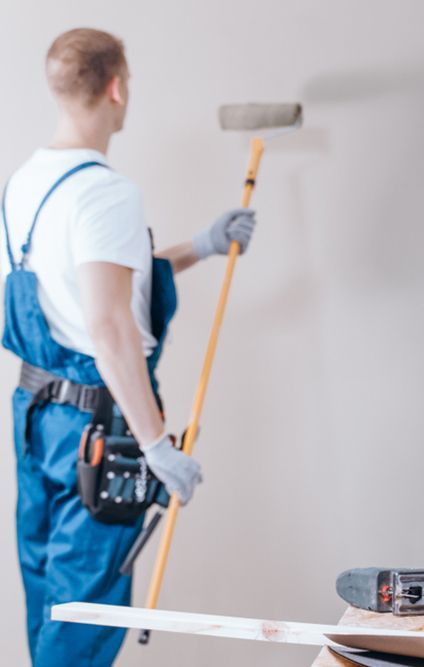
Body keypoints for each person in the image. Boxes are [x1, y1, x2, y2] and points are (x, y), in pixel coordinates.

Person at [1, 28, 258, 666]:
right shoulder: (108, 192)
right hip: (100, 428)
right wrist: (156, 446)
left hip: (39, 414)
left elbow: (95, 283)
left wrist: (200, 244)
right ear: (116, 87)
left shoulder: (27, 181)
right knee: (85, 616)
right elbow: (109, 326)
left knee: (51, 606)